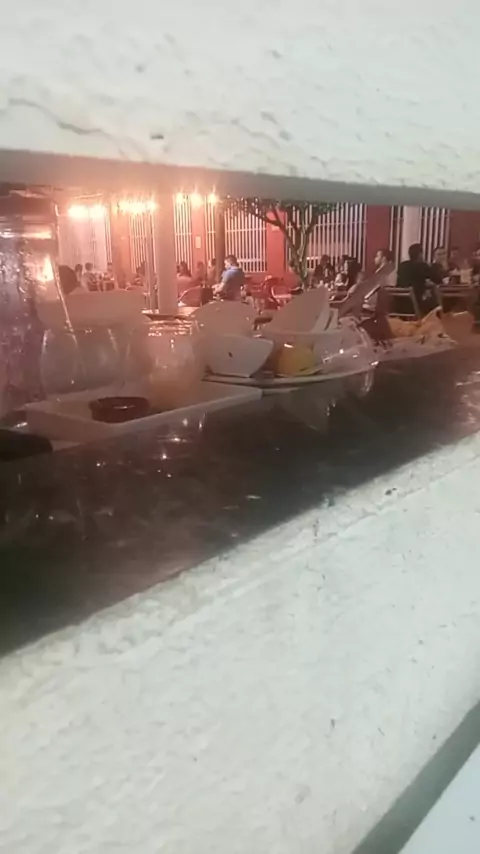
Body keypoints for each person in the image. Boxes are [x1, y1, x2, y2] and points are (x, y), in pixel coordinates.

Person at [397, 243, 437, 315]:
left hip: (399, 304)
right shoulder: (422, 266)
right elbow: (436, 280)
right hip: (415, 304)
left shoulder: (402, 266)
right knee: (437, 303)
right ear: (420, 254)